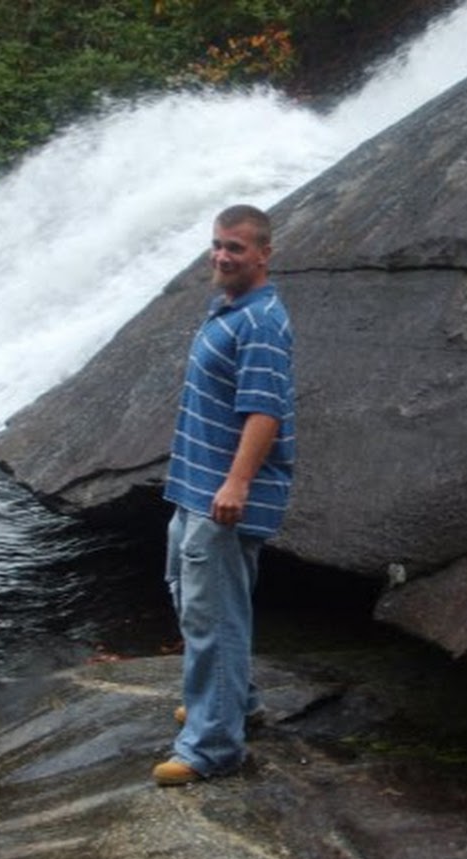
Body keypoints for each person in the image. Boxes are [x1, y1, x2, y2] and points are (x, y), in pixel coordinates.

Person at [153, 205, 295, 786]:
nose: (222, 255)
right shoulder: (230, 309)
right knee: (190, 596)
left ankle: (212, 747)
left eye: (235, 247)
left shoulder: (261, 322)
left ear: (263, 254)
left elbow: (265, 411)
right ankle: (233, 701)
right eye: (217, 244)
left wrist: (237, 483)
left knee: (214, 614)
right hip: (195, 490)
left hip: (221, 496)